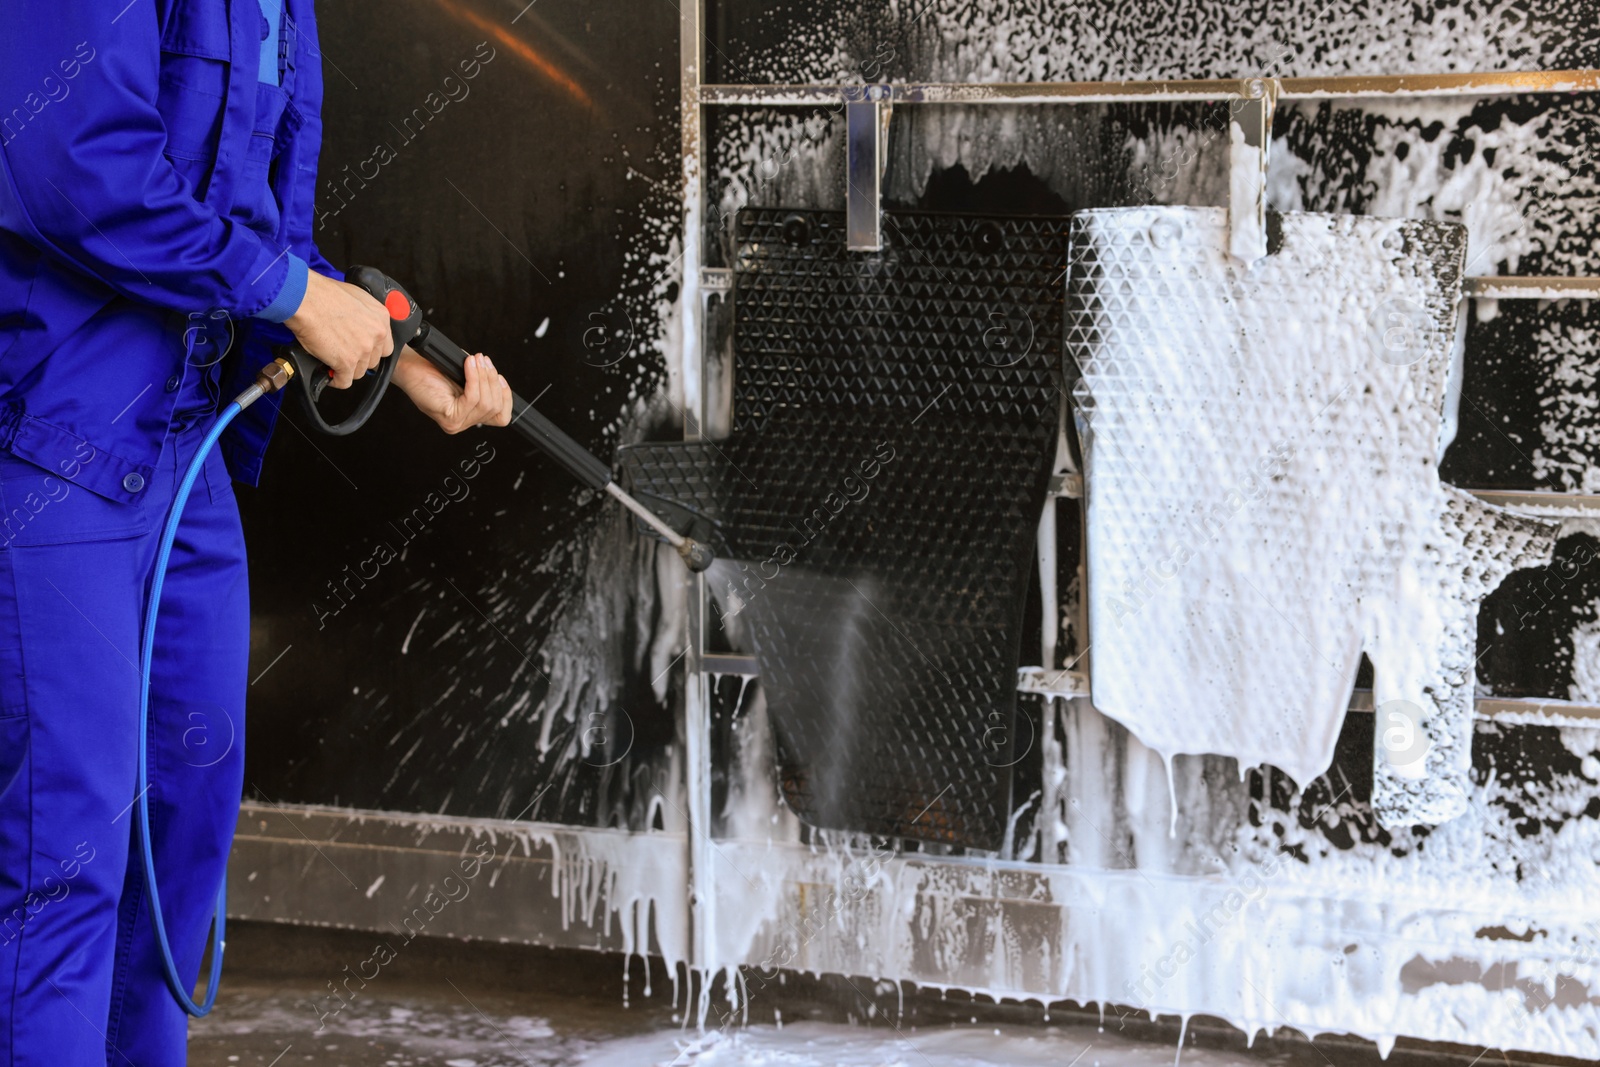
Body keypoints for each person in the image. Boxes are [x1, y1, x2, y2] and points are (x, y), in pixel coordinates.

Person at [0, 0, 513, 1061]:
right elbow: (69, 159)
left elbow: (243, 217)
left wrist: (400, 354)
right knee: (66, 858)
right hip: (59, 447)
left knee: (174, 845)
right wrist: (290, 293)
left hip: (186, 466)